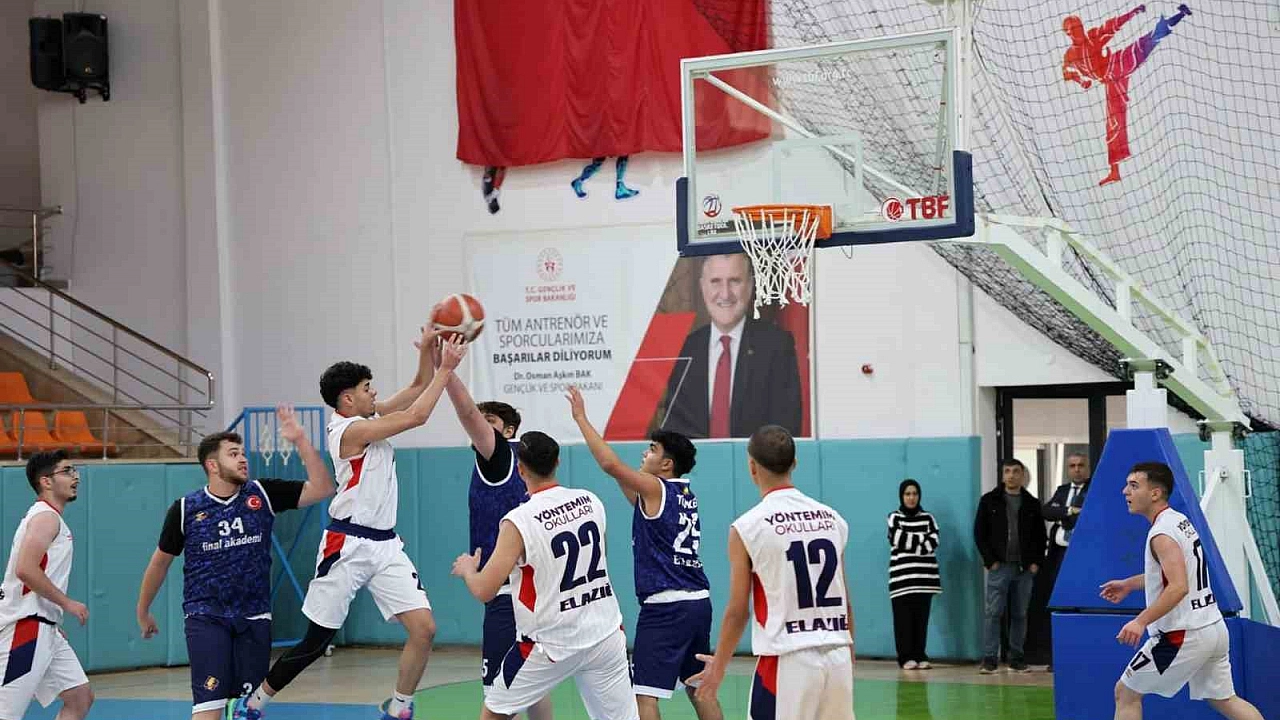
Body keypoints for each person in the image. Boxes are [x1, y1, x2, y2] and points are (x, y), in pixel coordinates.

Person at [233, 331, 467, 720]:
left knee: (424, 628)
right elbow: (417, 415)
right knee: (316, 641)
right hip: (347, 544)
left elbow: (417, 389)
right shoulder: (349, 431)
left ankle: (400, 707)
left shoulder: (366, 417)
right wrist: (448, 368)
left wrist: (429, 353)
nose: (374, 394)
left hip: (386, 545)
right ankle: (255, 700)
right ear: (347, 399)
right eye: (367, 388)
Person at [135, 407, 335, 720]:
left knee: (246, 712)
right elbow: (160, 563)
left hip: (254, 616)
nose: (243, 459)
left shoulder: (262, 493)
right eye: (233, 454)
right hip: (206, 616)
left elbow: (323, 488)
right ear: (212, 465)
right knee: (209, 710)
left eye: (243, 453)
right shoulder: (186, 509)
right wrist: (143, 610)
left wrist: (300, 440)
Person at [451, 431, 639, 720]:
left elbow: (485, 590)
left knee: (494, 713)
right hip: (604, 632)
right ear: (557, 462)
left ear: (520, 469)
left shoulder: (519, 520)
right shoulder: (590, 500)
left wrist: (468, 570)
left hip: (549, 644)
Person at [567, 386, 722, 720]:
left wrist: (580, 418)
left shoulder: (655, 488)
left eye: (652, 449)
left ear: (666, 464)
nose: (645, 453)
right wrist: (620, 473)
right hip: (698, 603)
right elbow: (622, 480)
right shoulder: (682, 493)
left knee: (643, 695)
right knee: (699, 687)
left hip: (666, 607)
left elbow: (610, 464)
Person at [688, 425, 854, 720]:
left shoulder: (748, 527)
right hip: (838, 654)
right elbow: (846, 603)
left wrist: (718, 667)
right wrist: (848, 659)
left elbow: (738, 611)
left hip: (787, 660)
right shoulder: (833, 519)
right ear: (794, 463)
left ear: (752, 467)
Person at [437, 337, 553, 720]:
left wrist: (446, 371)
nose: (480, 427)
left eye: (491, 423)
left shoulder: (501, 456)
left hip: (508, 592)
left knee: (499, 699)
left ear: (509, 430)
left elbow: (468, 414)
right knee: (532, 684)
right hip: (535, 589)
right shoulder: (523, 466)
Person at [1101, 462, 1264, 720]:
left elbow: (1178, 587)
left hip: (1183, 634)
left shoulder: (1161, 534)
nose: (1125, 491)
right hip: (1212, 627)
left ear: (1155, 493)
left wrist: (1140, 621)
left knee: (1126, 693)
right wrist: (1130, 584)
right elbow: (1173, 574)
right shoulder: (1179, 520)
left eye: (1133, 485)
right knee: (1225, 700)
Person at [661, 254, 802, 439]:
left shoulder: (777, 346)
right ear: (703, 287)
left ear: (750, 286)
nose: (725, 294)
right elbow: (673, 429)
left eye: (734, 281)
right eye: (715, 282)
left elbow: (785, 431)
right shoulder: (685, 349)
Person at [0, 451, 93, 720]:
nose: (75, 477)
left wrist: (51, 616)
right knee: (6, 713)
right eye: (67, 471)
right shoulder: (46, 518)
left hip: (43, 625)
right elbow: (25, 569)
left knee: (80, 698)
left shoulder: (49, 517)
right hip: (25, 628)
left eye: (75, 470)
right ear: (46, 481)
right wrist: (67, 603)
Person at [1062, 4, 1192, 186]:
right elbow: (1066, 72)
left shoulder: (1092, 38)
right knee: (1113, 123)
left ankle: (1180, 15)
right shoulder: (1070, 55)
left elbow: (1111, 26)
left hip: (1117, 65)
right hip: (1111, 82)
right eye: (1072, 30)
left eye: (1078, 27)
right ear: (1068, 34)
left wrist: (1132, 13)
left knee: (1148, 41)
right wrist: (1081, 81)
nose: (1077, 32)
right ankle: (1114, 171)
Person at [973, 459, 1045, 673]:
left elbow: (1040, 536)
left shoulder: (1032, 503)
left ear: (1023, 475)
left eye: (1015, 471)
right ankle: (990, 658)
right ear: (1002, 475)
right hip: (999, 567)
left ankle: (1017, 657)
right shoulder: (989, 501)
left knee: (1020, 614)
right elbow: (979, 533)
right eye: (1007, 471)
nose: (1011, 475)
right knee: (993, 613)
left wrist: (1036, 562)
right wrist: (990, 561)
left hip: (1024, 569)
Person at [1039, 452, 1092, 668]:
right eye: (1072, 466)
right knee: (1059, 603)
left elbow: (1087, 515)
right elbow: (1047, 511)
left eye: (1080, 465)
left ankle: (1079, 656)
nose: (1077, 469)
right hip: (1059, 554)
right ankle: (1057, 658)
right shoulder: (1062, 491)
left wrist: (1065, 515)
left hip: (1082, 555)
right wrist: (1069, 510)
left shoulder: (1093, 489)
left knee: (1081, 603)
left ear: (1087, 467)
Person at [887, 478, 941, 670]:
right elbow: (897, 539)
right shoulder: (894, 518)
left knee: (921, 620)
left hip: (925, 579)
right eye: (907, 494)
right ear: (901, 496)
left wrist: (911, 541)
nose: (911, 497)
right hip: (901, 580)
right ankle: (905, 657)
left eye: (915, 494)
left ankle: (920, 655)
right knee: (903, 621)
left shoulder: (929, 518)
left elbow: (933, 542)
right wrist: (921, 540)